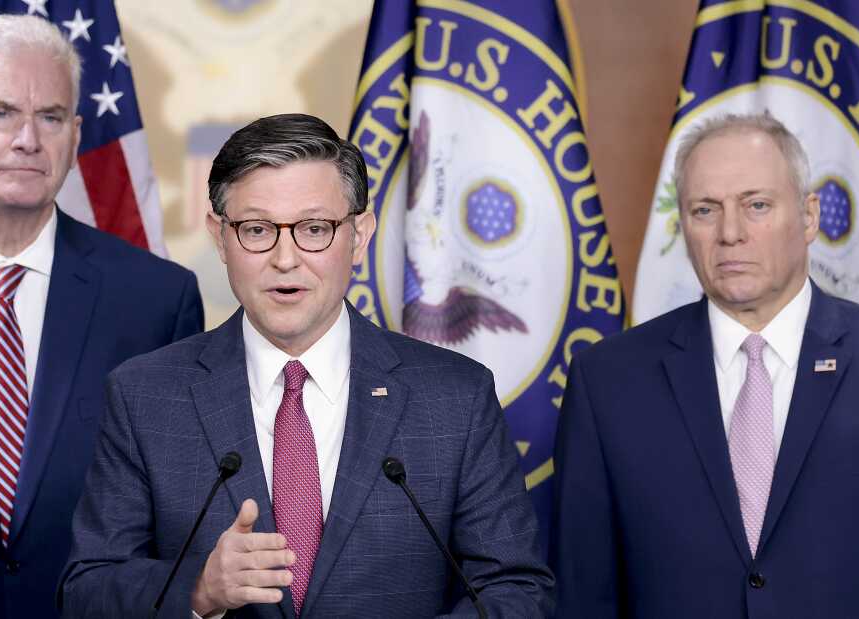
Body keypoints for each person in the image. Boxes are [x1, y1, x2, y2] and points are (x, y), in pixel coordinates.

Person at [58, 113, 553, 617]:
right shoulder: (145, 395)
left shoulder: (455, 397)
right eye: (257, 229)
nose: (286, 258)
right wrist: (199, 588)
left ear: (358, 235)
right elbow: (87, 590)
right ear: (220, 237)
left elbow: (515, 589)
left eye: (315, 229)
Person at [552, 112, 859, 618]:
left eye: (756, 205)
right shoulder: (607, 383)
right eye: (705, 210)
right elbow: (582, 597)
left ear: (810, 216)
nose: (730, 233)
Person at [0, 15, 203, 618]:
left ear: (75, 136)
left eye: (50, 117)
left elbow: (177, 525)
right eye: (0, 113)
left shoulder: (158, 301)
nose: (28, 138)